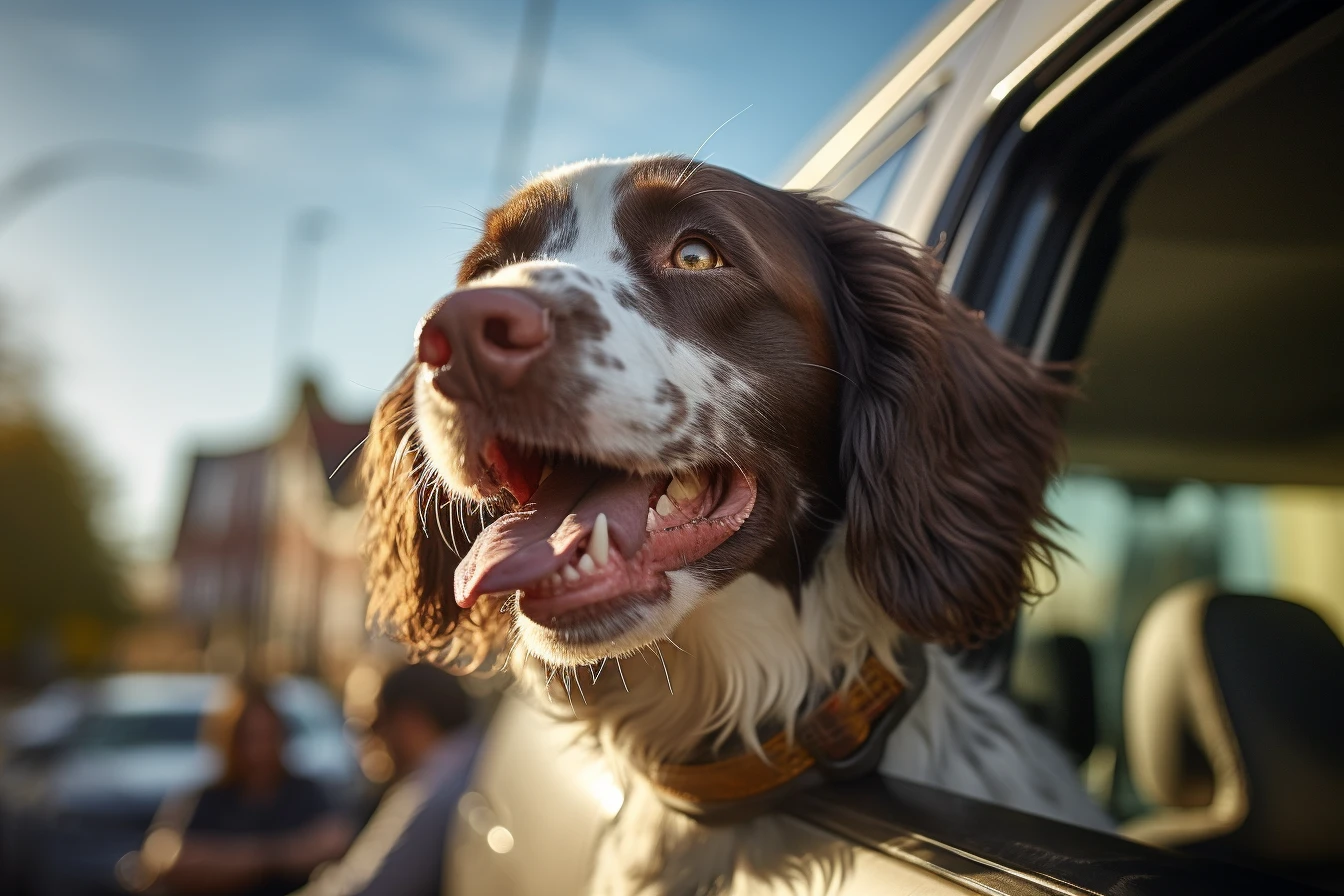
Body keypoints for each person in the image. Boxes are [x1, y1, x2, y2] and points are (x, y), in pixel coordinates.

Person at [142, 683, 353, 896]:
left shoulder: (306, 793)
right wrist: (282, 854)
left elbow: (335, 841)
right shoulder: (207, 798)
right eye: (248, 738)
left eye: (268, 736)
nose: (258, 751)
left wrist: (233, 859)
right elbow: (169, 859)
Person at [290, 663, 478, 896]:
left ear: (409, 721)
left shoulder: (430, 790)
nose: (370, 741)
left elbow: (365, 888)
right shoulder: (482, 760)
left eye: (375, 725)